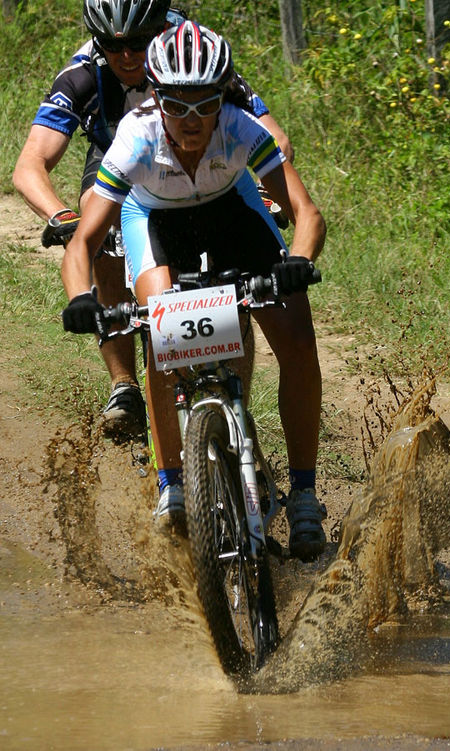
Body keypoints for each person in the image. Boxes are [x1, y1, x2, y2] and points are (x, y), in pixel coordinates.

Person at [60, 21, 327, 562]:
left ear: (222, 96)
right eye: (177, 106)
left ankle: (304, 494)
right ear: (155, 97)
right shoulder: (135, 137)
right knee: (160, 333)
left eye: (204, 104)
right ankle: (173, 485)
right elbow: (84, 240)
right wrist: (80, 296)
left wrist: (297, 262)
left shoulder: (241, 128)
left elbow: (306, 214)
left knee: (297, 339)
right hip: (155, 221)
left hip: (233, 213)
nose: (191, 121)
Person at [12, 0, 294, 441]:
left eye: (139, 43)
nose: (126, 57)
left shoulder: (191, 58)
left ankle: (231, 394)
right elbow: (30, 164)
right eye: (112, 44)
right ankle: (124, 384)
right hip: (122, 158)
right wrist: (62, 217)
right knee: (97, 226)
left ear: (161, 28)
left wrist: (263, 187)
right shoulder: (84, 73)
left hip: (203, 158)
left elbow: (269, 134)